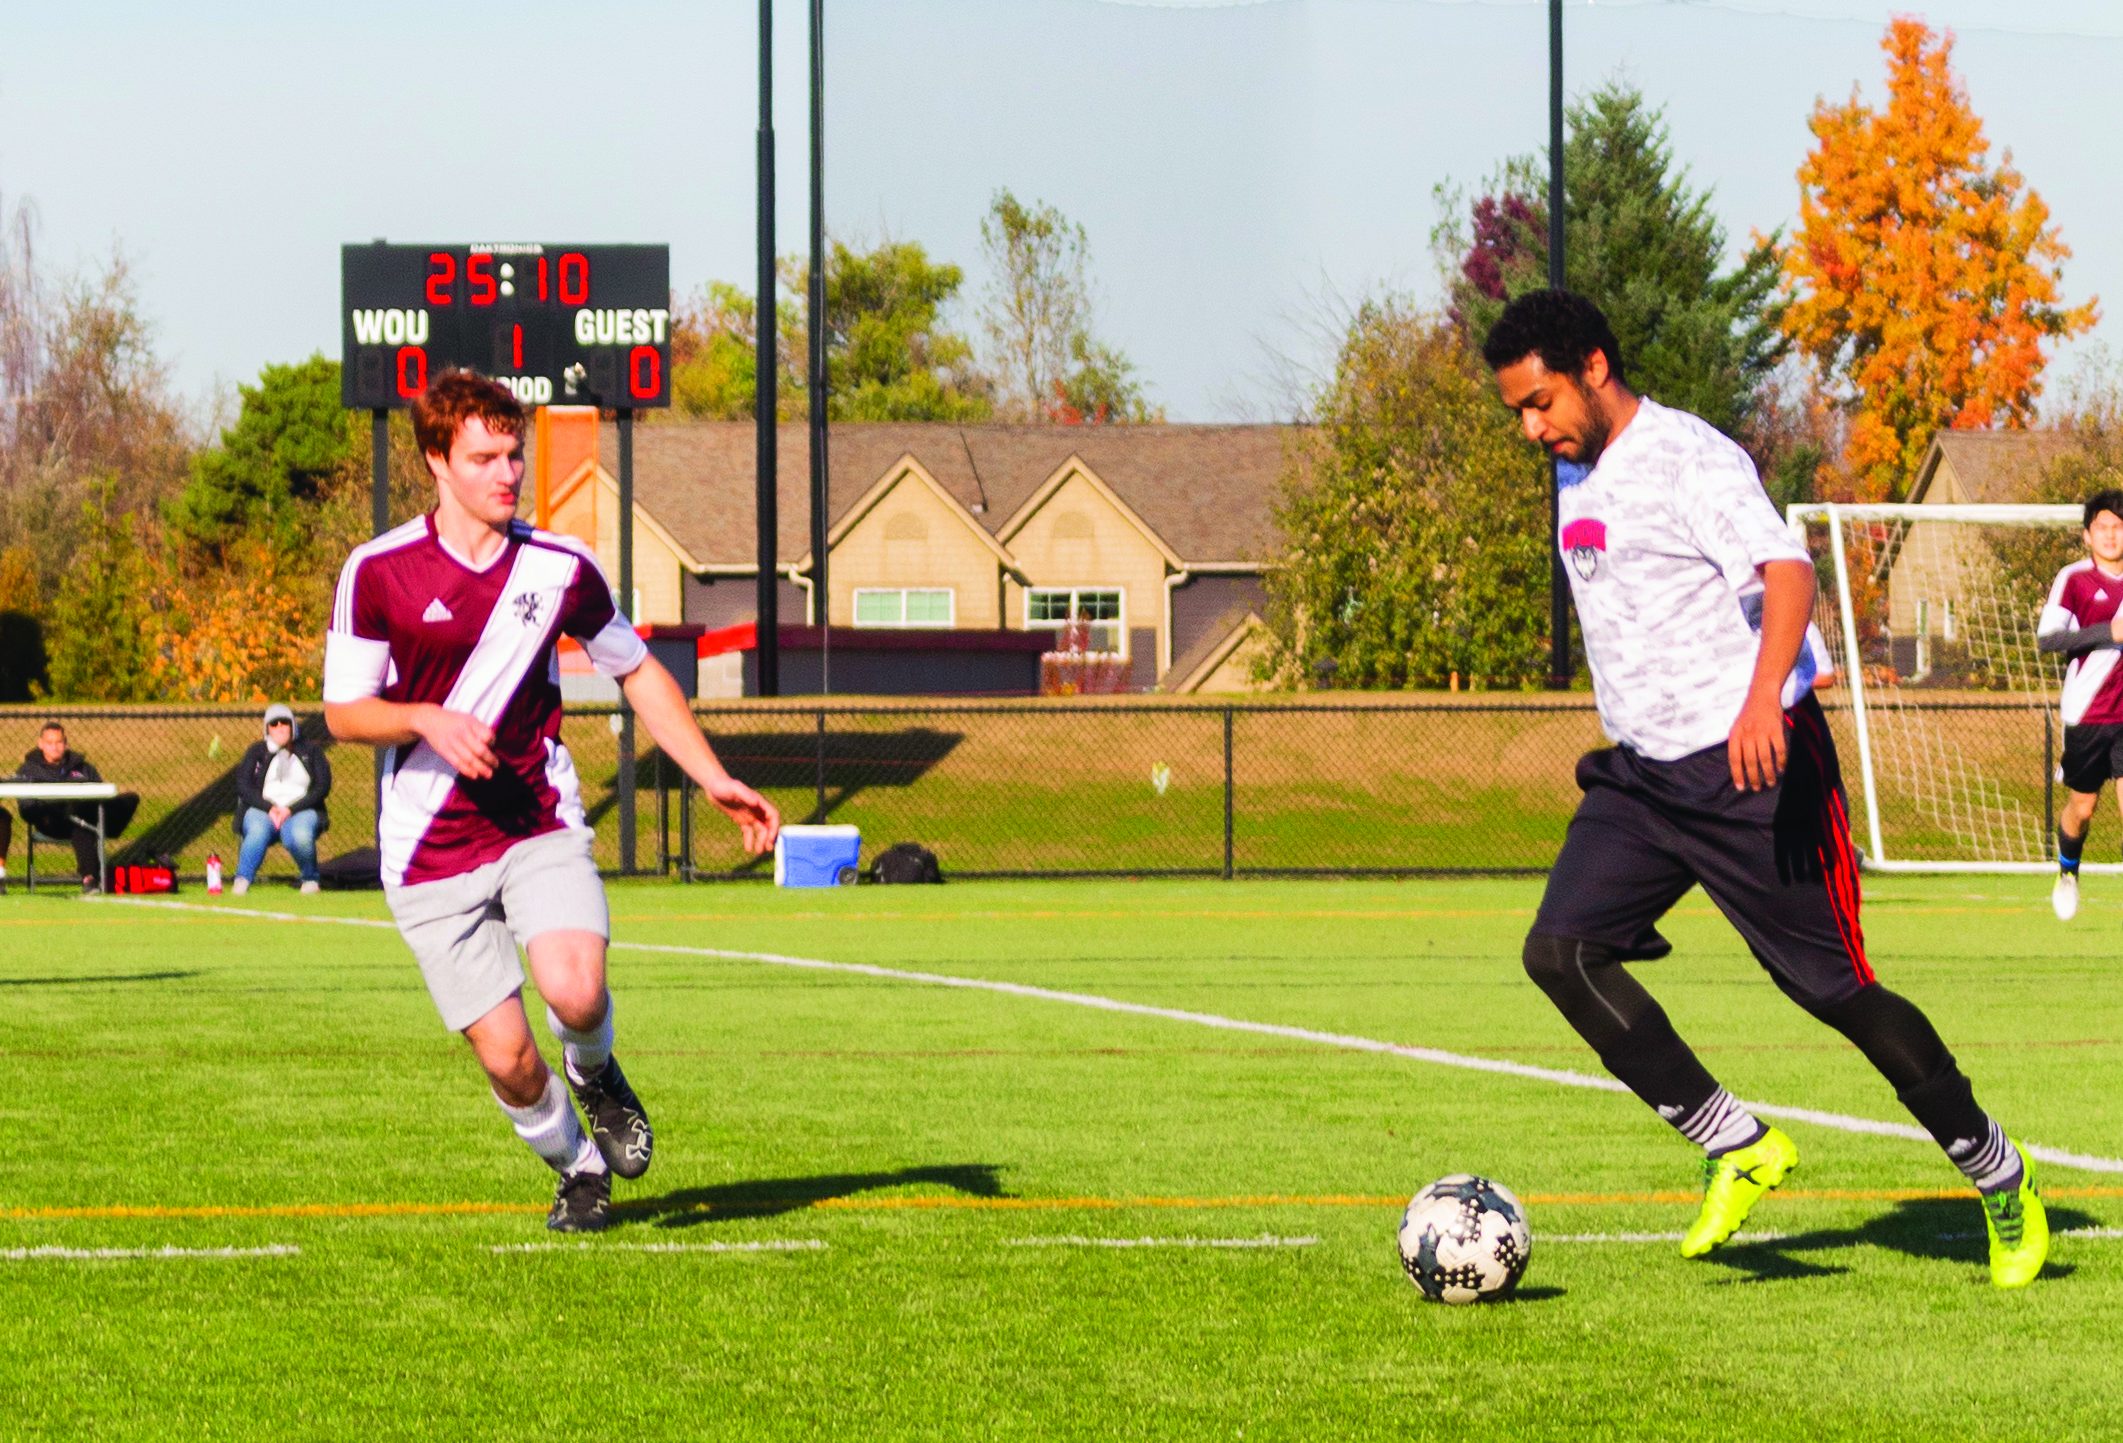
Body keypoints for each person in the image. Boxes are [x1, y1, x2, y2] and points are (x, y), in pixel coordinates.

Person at [1482, 289, 2047, 1288]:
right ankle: (1737, 1145)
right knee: (1557, 953)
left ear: (1594, 368)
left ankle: (1997, 1174)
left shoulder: (1687, 457)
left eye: (1539, 403)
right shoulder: (1571, 468)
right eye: (1517, 414)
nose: (1530, 429)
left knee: (1830, 991)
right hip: (1641, 781)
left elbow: (1784, 574)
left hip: (1752, 770)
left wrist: (1758, 707)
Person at [323, 369, 780, 1233]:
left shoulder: (561, 566)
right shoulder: (376, 570)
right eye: (485, 457)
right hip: (426, 850)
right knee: (508, 1060)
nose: (507, 473)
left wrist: (711, 774)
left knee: (574, 991)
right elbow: (343, 712)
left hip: (536, 820)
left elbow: (636, 668)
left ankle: (596, 1067)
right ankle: (577, 1163)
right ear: (436, 461)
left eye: (514, 455)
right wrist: (424, 716)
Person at [2035, 490, 2123, 922]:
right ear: (2088, 535)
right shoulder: (2074, 579)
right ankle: (2068, 869)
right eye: (2103, 527)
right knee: (2082, 809)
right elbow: (2049, 639)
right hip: (2087, 715)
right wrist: (2110, 630)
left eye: (2119, 527)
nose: (2111, 535)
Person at [15, 722, 141, 893]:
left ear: (65, 743)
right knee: (81, 824)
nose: (55, 747)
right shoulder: (28, 770)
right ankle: (90, 878)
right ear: (40, 744)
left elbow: (99, 793)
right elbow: (26, 807)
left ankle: (94, 869)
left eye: (59, 742)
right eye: (50, 743)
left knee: (129, 799)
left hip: (85, 818)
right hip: (52, 821)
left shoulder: (83, 767)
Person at [232, 703, 333, 896]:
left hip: (301, 809)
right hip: (263, 810)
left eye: (284, 723)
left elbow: (322, 786)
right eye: (274, 724)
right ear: (267, 728)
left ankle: (310, 879)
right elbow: (243, 786)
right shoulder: (257, 751)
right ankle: (242, 880)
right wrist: (269, 808)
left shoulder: (310, 751)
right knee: (257, 831)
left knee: (300, 834)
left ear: (293, 725)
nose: (279, 727)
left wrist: (290, 809)